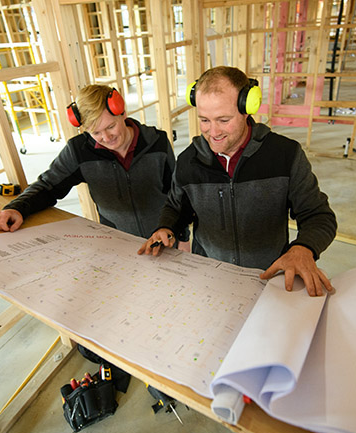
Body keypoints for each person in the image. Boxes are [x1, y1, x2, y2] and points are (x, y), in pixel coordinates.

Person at [137, 66, 337, 297]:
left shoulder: (285, 155)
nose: (213, 132)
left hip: (268, 278)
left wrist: (304, 248)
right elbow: (175, 206)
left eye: (223, 119)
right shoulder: (188, 161)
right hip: (209, 276)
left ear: (247, 108)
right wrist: (166, 227)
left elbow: (319, 216)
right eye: (204, 120)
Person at [0, 84, 187, 246]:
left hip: (163, 238)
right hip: (117, 242)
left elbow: (177, 194)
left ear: (123, 113)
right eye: (96, 132)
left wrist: (182, 237)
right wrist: (16, 208)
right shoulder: (79, 151)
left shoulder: (157, 142)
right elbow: (48, 186)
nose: (106, 138)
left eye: (110, 126)